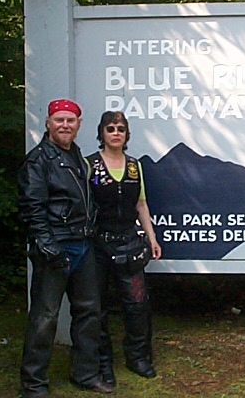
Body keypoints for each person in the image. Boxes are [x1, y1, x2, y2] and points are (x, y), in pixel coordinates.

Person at [17, 99, 113, 397]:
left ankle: (85, 374)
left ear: (79, 125)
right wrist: (47, 246)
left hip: (83, 245)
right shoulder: (38, 160)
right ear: (48, 123)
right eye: (59, 120)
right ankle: (33, 385)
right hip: (56, 247)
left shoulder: (76, 156)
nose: (65, 125)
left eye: (70, 121)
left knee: (89, 312)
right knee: (45, 317)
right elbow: (32, 208)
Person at [86, 111, 162, 387]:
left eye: (120, 128)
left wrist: (151, 238)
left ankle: (138, 357)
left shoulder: (134, 167)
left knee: (137, 305)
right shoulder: (89, 165)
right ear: (102, 133)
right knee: (97, 307)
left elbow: (141, 204)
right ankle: (102, 362)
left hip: (130, 241)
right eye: (110, 128)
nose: (116, 132)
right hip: (98, 244)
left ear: (127, 134)